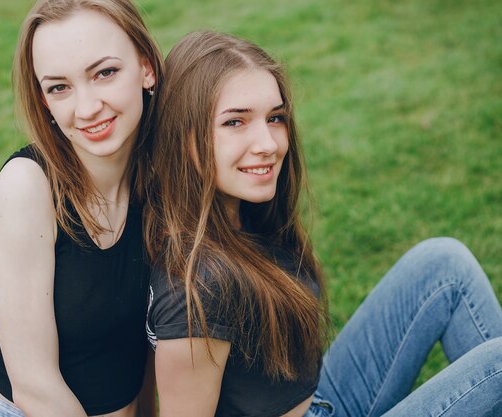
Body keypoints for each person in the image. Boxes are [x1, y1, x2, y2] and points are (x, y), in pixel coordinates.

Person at [145, 30, 502, 417]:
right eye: (235, 123)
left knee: (443, 264)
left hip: (322, 399)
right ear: (184, 138)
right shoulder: (197, 288)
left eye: (275, 117)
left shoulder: (242, 216)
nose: (267, 142)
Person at [0, 1, 162, 416]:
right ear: (45, 100)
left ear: (146, 68)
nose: (87, 108)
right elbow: (34, 387)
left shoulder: (161, 175)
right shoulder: (27, 187)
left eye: (104, 73)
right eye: (60, 87)